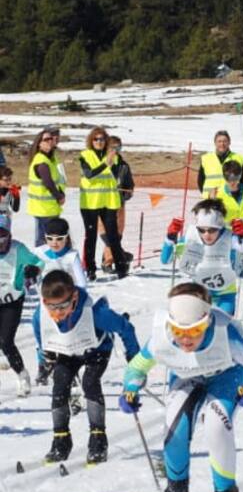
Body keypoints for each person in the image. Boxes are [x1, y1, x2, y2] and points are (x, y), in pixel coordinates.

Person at [120, 282, 243, 492]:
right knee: (174, 429)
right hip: (186, 376)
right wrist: (131, 388)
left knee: (216, 426)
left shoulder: (225, 334)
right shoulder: (161, 336)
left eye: (195, 330)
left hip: (226, 376)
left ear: (207, 321)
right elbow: (136, 367)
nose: (185, 339)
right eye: (178, 331)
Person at [40, 270, 139, 465]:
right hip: (69, 351)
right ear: (44, 302)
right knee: (60, 383)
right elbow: (40, 336)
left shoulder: (96, 314)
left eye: (63, 306)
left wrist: (134, 358)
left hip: (97, 349)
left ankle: (98, 439)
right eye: (52, 307)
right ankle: (61, 439)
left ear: (74, 297)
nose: (58, 313)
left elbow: (126, 328)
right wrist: (47, 355)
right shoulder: (41, 315)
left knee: (90, 382)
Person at [161, 199, 243, 317]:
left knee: (222, 326)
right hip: (200, 292)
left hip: (226, 292)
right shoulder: (191, 236)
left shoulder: (230, 238)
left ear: (220, 227)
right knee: (201, 328)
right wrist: (170, 237)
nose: (206, 234)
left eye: (212, 230)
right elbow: (165, 260)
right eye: (202, 230)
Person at [33, 216, 89, 384]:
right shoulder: (39, 253)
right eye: (50, 239)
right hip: (46, 302)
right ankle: (43, 362)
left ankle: (69, 367)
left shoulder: (71, 256)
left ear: (67, 238)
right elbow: (30, 273)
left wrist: (72, 298)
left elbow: (82, 283)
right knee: (37, 323)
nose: (55, 243)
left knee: (65, 332)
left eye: (59, 239)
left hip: (66, 303)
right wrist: (29, 276)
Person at [77, 126, 126, 281]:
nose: (99, 142)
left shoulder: (114, 157)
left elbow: (121, 174)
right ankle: (90, 269)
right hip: (90, 203)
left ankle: (121, 267)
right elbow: (89, 174)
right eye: (96, 139)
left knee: (113, 236)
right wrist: (106, 163)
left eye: (102, 139)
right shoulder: (85, 155)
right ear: (91, 141)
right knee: (90, 236)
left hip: (109, 202)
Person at [0, 210, 39, 396]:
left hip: (12, 301)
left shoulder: (18, 249)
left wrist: (32, 272)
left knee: (6, 341)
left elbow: (39, 263)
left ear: (9, 235)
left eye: (2, 235)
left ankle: (22, 375)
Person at [99, 135, 134, 273]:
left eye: (118, 147)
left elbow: (129, 185)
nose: (116, 150)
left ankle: (109, 261)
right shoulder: (100, 163)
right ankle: (120, 257)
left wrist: (127, 193)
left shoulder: (124, 166)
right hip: (102, 204)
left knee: (117, 235)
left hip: (119, 204)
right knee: (107, 236)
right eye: (113, 147)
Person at [27, 126, 66, 247]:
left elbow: (57, 180)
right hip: (44, 208)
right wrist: (59, 196)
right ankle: (40, 264)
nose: (50, 141)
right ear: (39, 143)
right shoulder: (41, 161)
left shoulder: (50, 158)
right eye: (46, 139)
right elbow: (48, 182)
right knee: (44, 240)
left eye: (51, 139)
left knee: (48, 238)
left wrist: (61, 193)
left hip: (49, 207)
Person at [197, 130, 243, 196]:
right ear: (215, 143)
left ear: (229, 142)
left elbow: (242, 181)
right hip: (210, 199)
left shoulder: (238, 159)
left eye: (225, 141)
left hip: (230, 199)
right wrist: (207, 195)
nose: (222, 144)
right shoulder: (206, 159)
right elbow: (200, 181)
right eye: (219, 141)